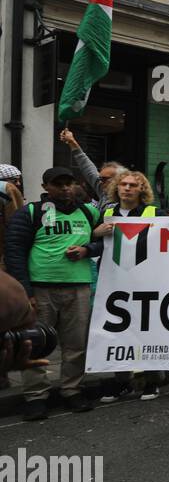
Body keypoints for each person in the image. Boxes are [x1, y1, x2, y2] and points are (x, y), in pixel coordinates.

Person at [3, 166, 104, 419]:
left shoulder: (89, 212)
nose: (65, 188)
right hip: (40, 289)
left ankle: (72, 390)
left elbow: (106, 240)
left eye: (69, 183)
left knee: (76, 344)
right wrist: (26, 292)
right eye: (58, 184)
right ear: (46, 187)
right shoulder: (31, 212)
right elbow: (15, 252)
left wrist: (88, 250)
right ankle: (36, 396)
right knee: (35, 344)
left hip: (79, 288)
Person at [94, 170, 169, 403]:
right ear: (117, 187)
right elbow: (95, 242)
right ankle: (121, 381)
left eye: (133, 185)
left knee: (147, 330)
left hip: (146, 282)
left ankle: (151, 382)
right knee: (117, 332)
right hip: (115, 282)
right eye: (123, 184)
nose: (127, 188)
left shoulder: (153, 212)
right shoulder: (107, 212)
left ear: (141, 189)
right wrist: (96, 233)